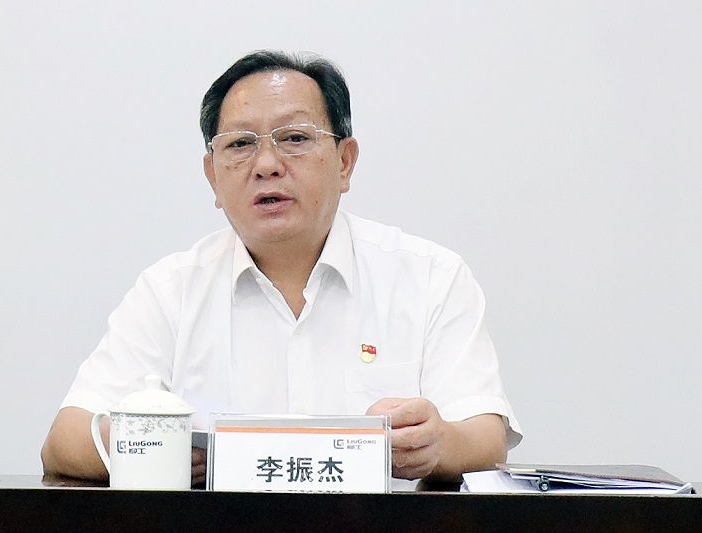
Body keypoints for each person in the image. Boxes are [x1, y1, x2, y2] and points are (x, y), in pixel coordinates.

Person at [41, 50, 522, 490]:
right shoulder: (170, 289)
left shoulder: (430, 276)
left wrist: (437, 445)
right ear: (213, 177)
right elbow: (64, 442)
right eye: (240, 144)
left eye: (294, 138)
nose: (266, 164)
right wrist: (151, 445)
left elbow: (484, 436)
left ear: (345, 163)